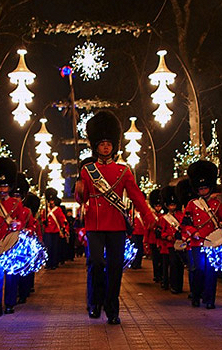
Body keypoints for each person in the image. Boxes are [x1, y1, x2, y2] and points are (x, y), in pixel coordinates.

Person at [75, 110, 155, 325]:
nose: (106, 147)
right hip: (95, 224)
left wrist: (148, 216)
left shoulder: (123, 170)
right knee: (96, 263)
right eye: (101, 144)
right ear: (96, 146)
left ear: (114, 146)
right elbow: (81, 199)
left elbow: (136, 196)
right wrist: (79, 188)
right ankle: (95, 302)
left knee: (115, 268)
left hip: (116, 225)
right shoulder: (87, 170)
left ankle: (112, 309)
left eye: (109, 143)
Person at [181, 160, 222, 309]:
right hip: (197, 242)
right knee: (198, 270)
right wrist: (193, 232)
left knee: (211, 272)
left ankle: (209, 300)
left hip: (212, 242)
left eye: (205, 188)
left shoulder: (217, 205)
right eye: (200, 188)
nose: (203, 191)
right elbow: (186, 223)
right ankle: (196, 295)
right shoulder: (192, 204)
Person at [0, 157, 25, 316]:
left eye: (5, 186)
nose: (2, 189)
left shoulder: (17, 203)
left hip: (12, 242)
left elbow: (22, 220)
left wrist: (18, 224)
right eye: (0, 186)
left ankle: (9, 304)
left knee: (11, 276)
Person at [160, 186, 186, 294]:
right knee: (173, 264)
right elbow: (162, 231)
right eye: (170, 205)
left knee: (180, 265)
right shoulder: (164, 218)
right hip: (170, 244)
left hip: (180, 243)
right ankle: (174, 285)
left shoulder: (181, 215)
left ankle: (179, 286)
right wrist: (167, 236)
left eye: (174, 204)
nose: (172, 206)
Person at [42, 188, 66, 270]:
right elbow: (42, 218)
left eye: (52, 200)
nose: (51, 202)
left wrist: (63, 227)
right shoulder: (45, 210)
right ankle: (48, 263)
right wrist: (43, 222)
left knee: (55, 248)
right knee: (48, 247)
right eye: (50, 200)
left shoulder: (58, 209)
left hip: (55, 231)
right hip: (47, 231)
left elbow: (61, 219)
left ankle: (54, 263)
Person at [145, 189, 163, 283]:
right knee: (155, 259)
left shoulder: (164, 216)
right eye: (156, 206)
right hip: (153, 239)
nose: (158, 207)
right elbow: (147, 229)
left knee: (162, 259)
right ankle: (157, 275)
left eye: (159, 205)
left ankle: (162, 275)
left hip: (161, 240)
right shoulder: (152, 215)